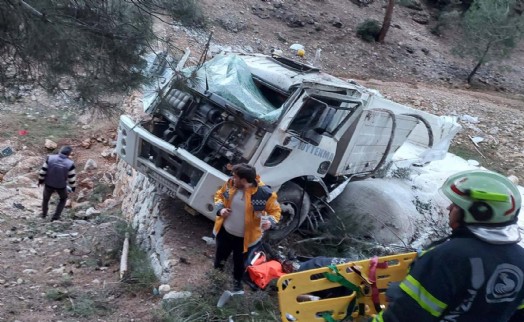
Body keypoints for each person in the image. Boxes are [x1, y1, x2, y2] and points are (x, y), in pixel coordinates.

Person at [373, 169, 524, 322]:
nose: (449, 208)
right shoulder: (521, 259)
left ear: (479, 212)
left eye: (456, 205)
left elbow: (404, 316)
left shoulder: (448, 257)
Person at [213, 163, 281, 292]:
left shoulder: (265, 194)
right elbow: (219, 195)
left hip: (246, 240)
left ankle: (237, 284)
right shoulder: (230, 184)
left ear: (243, 180)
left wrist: (270, 222)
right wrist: (220, 210)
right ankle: (215, 282)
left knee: (239, 264)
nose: (232, 178)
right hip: (225, 233)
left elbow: (276, 211)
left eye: (235, 176)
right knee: (219, 259)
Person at [38, 145, 77, 221]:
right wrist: (73, 187)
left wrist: (40, 181)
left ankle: (44, 214)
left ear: (60, 151)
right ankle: (55, 217)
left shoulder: (50, 158)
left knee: (45, 199)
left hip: (48, 184)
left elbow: (42, 171)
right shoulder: (70, 163)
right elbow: (71, 178)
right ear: (68, 154)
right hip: (61, 186)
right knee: (63, 199)